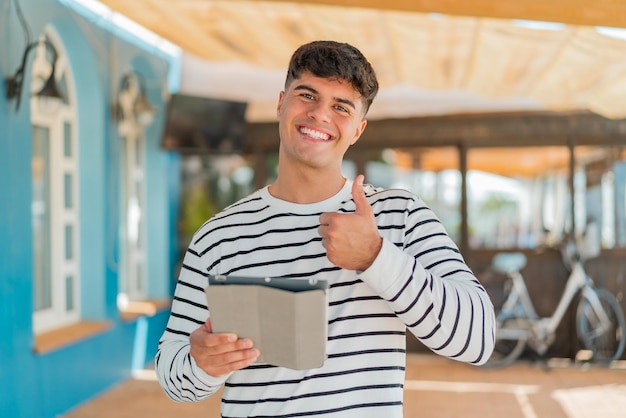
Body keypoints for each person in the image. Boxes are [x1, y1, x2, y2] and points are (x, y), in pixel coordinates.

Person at [155, 40, 495, 417]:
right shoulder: (219, 235)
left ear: (358, 130)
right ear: (281, 102)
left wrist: (376, 256)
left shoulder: (400, 215)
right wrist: (204, 364)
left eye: (341, 106)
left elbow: (477, 340)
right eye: (307, 95)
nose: (319, 114)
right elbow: (172, 376)